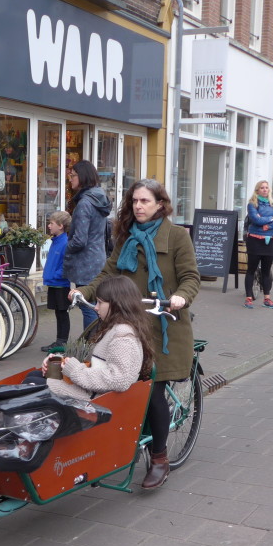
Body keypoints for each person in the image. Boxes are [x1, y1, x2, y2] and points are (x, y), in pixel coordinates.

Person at [73, 178, 201, 490]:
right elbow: (108, 272)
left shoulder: (176, 237)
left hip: (162, 323)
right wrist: (84, 291)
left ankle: (159, 458)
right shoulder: (127, 236)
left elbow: (190, 276)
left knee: (152, 390)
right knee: (104, 376)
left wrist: (181, 296)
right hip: (128, 323)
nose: (139, 207)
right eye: (135, 201)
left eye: (145, 201)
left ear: (160, 204)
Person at [45, 275, 155, 402]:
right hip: (93, 394)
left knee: (34, 384)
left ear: (116, 304)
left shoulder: (123, 337)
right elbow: (94, 362)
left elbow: (119, 380)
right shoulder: (116, 328)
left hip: (96, 401)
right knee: (36, 378)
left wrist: (75, 370)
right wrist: (61, 360)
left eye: (100, 302)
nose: (96, 307)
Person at [64, 160, 111, 330]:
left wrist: (65, 247)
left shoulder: (84, 203)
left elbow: (79, 240)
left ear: (83, 177)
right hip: (98, 259)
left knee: (88, 307)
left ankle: (91, 346)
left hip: (85, 264)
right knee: (96, 304)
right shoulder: (99, 198)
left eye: (73, 175)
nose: (70, 179)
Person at [242, 180, 273, 309]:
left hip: (269, 240)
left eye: (266, 188)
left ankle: (267, 299)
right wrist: (272, 219)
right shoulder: (252, 204)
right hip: (255, 240)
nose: (265, 190)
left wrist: (266, 225)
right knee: (251, 269)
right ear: (257, 190)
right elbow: (256, 219)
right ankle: (248, 298)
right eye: (262, 188)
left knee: (266, 271)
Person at [41, 211, 71, 352]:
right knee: (58, 313)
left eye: (51, 223)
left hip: (60, 284)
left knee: (62, 313)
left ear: (60, 226)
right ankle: (59, 341)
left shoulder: (65, 243)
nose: (49, 226)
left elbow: (66, 264)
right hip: (54, 282)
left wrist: (56, 275)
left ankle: (62, 342)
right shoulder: (56, 241)